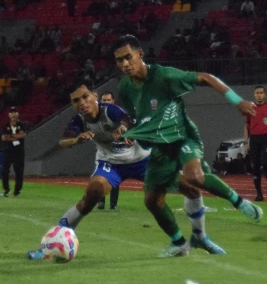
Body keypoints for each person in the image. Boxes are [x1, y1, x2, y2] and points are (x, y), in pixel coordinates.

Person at [28, 79, 225, 259]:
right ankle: (50, 246)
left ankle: (199, 237)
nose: (82, 103)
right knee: (92, 194)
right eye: (76, 100)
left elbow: (128, 122)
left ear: (94, 96)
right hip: (111, 164)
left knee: (189, 189)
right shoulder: (79, 121)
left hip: (143, 161)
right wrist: (77, 139)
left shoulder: (110, 111)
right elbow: (64, 141)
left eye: (85, 96)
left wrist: (126, 131)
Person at [113, 34, 262, 257]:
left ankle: (239, 202)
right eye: (119, 60)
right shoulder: (125, 88)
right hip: (160, 146)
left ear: (140, 54)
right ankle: (181, 243)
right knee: (152, 200)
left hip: (182, 136)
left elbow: (206, 77)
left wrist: (237, 101)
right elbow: (135, 117)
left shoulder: (163, 75)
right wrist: (127, 128)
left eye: (128, 57)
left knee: (195, 177)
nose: (124, 64)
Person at [97, 91, 121, 210]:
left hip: (116, 148)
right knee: (101, 175)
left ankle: (113, 204)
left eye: (108, 100)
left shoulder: (117, 114)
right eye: (103, 100)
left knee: (115, 175)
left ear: (113, 101)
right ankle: (101, 201)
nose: (105, 103)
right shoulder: (97, 114)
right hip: (102, 150)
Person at [1, 107, 27, 197]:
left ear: (17, 114)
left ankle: (17, 191)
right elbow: (4, 137)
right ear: (9, 115)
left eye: (15, 112)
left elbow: (23, 135)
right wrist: (16, 136)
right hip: (8, 151)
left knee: (19, 171)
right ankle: (6, 189)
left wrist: (10, 136)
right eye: (11, 113)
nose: (13, 114)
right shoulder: (5, 125)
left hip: (19, 151)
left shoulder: (21, 124)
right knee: (5, 171)